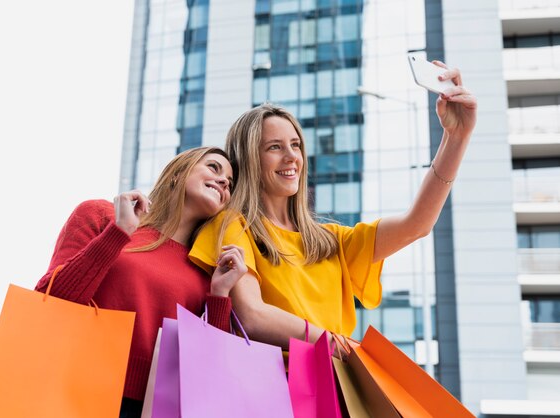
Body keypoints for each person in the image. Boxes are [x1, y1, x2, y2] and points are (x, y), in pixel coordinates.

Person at [189, 62, 477, 349]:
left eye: (296, 145)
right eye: (274, 147)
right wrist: (339, 345)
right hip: (277, 387)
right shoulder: (234, 226)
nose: (292, 157)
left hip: (332, 387)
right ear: (249, 159)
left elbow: (417, 225)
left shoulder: (331, 241)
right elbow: (252, 316)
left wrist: (456, 138)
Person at [35, 146, 247, 417]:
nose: (223, 182)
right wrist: (118, 233)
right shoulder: (103, 216)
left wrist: (220, 294)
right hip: (74, 387)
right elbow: (50, 301)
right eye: (214, 168)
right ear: (177, 173)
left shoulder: (208, 269)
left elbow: (209, 370)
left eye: (228, 184)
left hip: (155, 406)